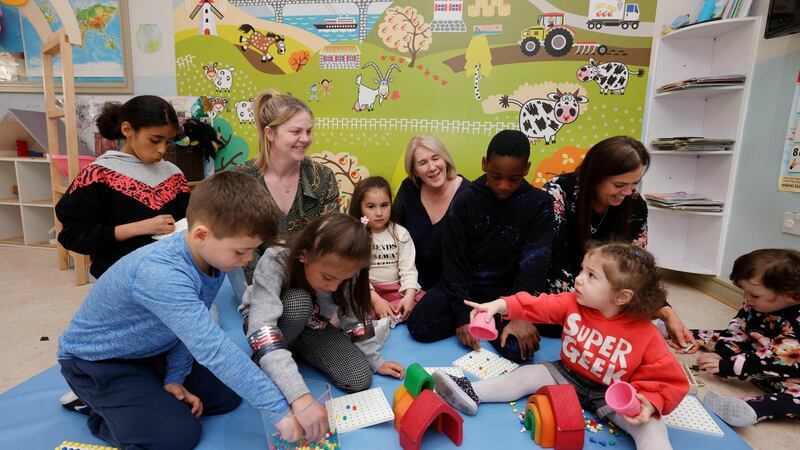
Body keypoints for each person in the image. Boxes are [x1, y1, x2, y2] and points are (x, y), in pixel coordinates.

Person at [57, 172, 327, 449]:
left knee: (226, 396)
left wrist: (174, 378)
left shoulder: (212, 258)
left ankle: (145, 391)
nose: (247, 260)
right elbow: (212, 349)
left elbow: (186, 332)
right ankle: (96, 407)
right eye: (240, 252)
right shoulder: (161, 274)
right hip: (100, 362)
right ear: (201, 234)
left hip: (153, 348)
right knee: (176, 436)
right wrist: (280, 412)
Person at [433, 243, 688, 450]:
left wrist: (650, 402)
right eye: (581, 270)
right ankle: (470, 391)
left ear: (622, 296)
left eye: (591, 276)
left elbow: (669, 379)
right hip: (567, 374)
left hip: (613, 393)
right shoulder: (572, 303)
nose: (578, 280)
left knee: (652, 428)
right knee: (526, 375)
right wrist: (499, 306)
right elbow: (536, 305)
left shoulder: (647, 333)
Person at [406, 129, 554, 363]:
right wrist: (462, 316)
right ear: (485, 164)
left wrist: (519, 312)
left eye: (513, 178)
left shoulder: (540, 203)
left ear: (526, 169)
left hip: (508, 294)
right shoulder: (466, 200)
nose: (504, 185)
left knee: (520, 351)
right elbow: (453, 261)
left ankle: (489, 320)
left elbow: (534, 263)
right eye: (496, 176)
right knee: (420, 326)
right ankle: (481, 319)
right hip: (465, 285)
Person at [543, 136, 696, 350]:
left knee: (641, 329)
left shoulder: (635, 205)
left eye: (635, 183)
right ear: (594, 176)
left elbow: (638, 267)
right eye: (619, 185)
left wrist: (666, 312)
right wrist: (597, 306)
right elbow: (553, 262)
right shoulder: (557, 193)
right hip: (567, 290)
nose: (628, 192)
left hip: (607, 295)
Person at [241, 213, 405, 404]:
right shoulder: (276, 259)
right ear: (304, 255)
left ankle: (293, 349)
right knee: (298, 302)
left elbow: (355, 318)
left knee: (360, 378)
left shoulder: (345, 269)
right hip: (270, 325)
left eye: (342, 280)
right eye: (328, 277)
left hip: (313, 323)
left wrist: (377, 361)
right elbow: (262, 326)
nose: (334, 288)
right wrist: (299, 396)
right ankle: (272, 356)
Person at [55, 95, 190, 279]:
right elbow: (73, 235)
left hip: (169, 273)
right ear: (127, 129)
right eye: (155, 140)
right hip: (118, 278)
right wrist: (139, 228)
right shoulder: (98, 174)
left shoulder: (173, 174)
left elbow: (186, 224)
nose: (162, 149)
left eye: (168, 142)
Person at [231, 90, 339, 287]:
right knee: (292, 307)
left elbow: (329, 237)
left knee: (300, 304)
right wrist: (272, 284)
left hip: (307, 279)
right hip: (256, 280)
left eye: (308, 131)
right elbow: (239, 244)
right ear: (270, 133)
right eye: (296, 132)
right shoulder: (242, 179)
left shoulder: (322, 177)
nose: (306, 139)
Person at [693, 249, 800, 427]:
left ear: (791, 295)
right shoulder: (755, 305)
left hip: (788, 370)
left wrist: (728, 366)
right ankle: (676, 331)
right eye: (744, 292)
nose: (746, 299)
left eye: (754, 295)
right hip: (759, 356)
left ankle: (752, 408)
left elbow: (778, 359)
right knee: (721, 336)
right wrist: (723, 354)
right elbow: (738, 330)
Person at [393, 134, 471, 290]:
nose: (432, 167)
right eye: (422, 163)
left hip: (455, 285)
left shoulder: (468, 194)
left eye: (436, 158)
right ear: (414, 171)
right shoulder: (409, 190)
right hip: (411, 281)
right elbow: (392, 233)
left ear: (445, 160)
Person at [348, 176, 424, 321]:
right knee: (355, 312)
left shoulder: (401, 233)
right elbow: (355, 275)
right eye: (371, 206)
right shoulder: (355, 235)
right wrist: (376, 300)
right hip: (367, 291)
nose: (379, 213)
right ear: (360, 207)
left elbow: (408, 269)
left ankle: (394, 313)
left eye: (384, 205)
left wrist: (409, 296)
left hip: (396, 290)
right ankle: (384, 314)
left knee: (421, 307)